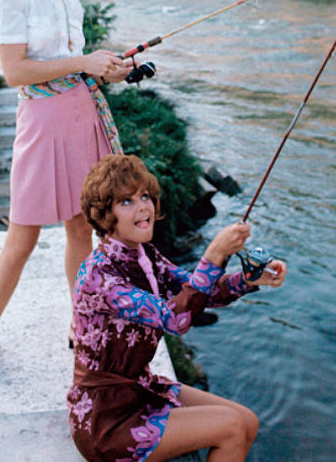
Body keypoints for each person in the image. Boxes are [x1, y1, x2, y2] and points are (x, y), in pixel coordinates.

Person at [0, 0, 133, 388]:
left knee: (82, 229)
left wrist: (108, 69)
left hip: (82, 113)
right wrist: (84, 63)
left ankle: (81, 322)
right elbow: (16, 71)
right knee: (22, 239)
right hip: (41, 122)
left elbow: (73, 64)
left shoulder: (70, 0)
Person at [68, 153, 287, 462]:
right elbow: (176, 318)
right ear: (105, 215)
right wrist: (214, 253)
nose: (143, 206)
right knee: (232, 427)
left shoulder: (145, 256)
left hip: (140, 388)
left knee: (248, 420)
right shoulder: (99, 276)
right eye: (127, 201)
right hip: (106, 419)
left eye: (144, 196)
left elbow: (199, 292)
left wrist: (251, 278)